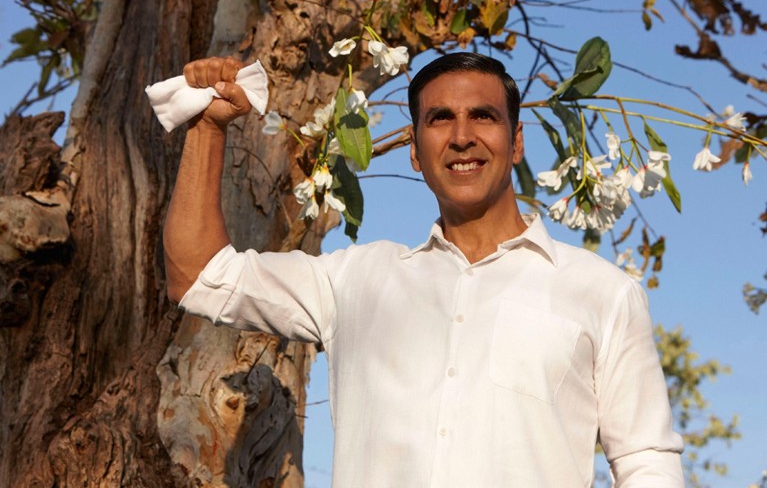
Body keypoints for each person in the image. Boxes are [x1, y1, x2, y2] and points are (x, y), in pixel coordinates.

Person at [164, 52, 684, 487]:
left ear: (517, 140)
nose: (462, 137)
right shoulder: (355, 281)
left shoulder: (601, 292)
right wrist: (208, 127)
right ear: (414, 151)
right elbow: (201, 275)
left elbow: (647, 461)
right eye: (440, 119)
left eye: (483, 115)